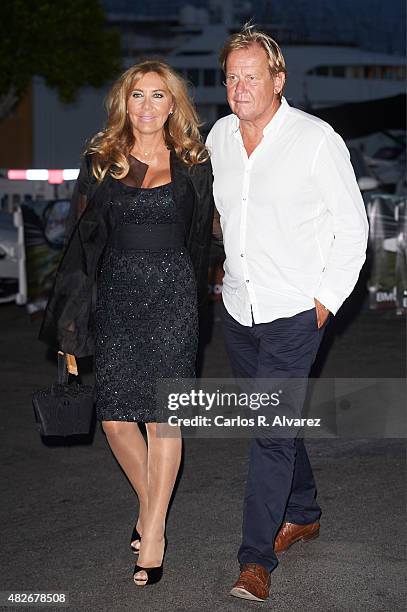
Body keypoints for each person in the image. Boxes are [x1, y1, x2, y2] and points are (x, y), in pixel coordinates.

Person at [206, 25, 369, 602]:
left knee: (270, 434)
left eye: (251, 76)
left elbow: (354, 229)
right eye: (231, 77)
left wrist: (326, 298)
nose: (239, 86)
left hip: (296, 311)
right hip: (240, 309)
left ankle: (255, 561)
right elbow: (221, 216)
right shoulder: (220, 138)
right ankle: (304, 510)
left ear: (278, 80)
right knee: (270, 423)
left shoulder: (316, 139)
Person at [39, 60, 214, 586]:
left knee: (165, 420)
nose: (147, 106)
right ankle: (151, 507)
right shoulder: (105, 161)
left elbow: (203, 237)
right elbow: (79, 244)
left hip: (175, 300)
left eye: (158, 96)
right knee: (116, 420)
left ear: (173, 105)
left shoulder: (191, 161)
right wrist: (71, 325)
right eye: (137, 95)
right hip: (116, 299)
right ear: (124, 103)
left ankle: (153, 534)